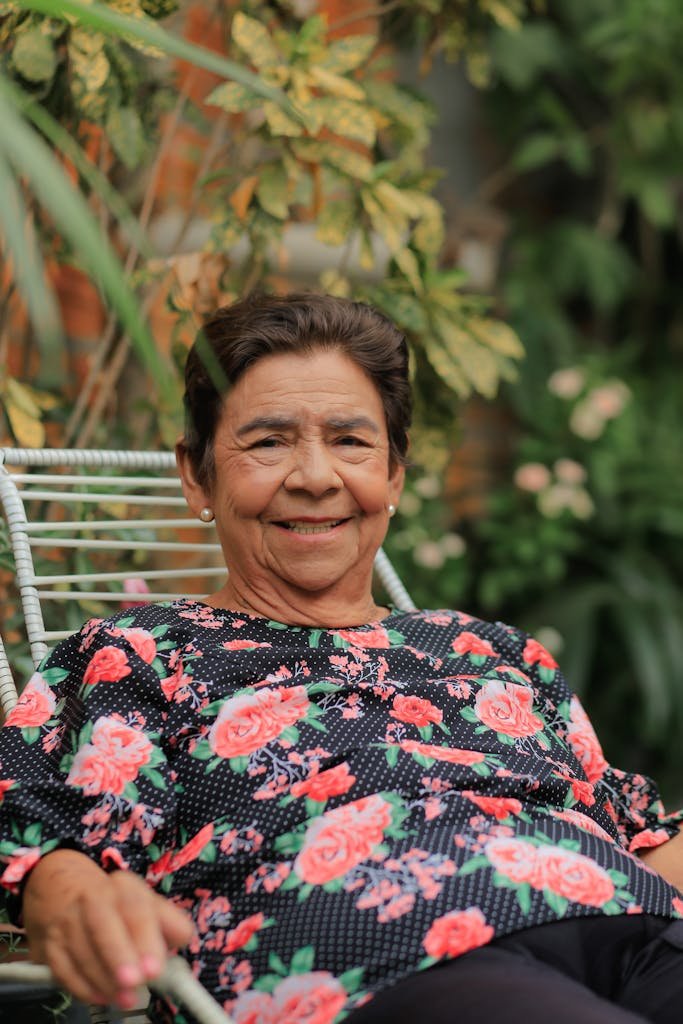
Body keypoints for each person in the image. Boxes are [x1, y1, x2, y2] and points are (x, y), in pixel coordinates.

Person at [0, 292, 681, 1024]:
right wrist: (69, 892)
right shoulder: (137, 656)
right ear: (196, 475)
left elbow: (637, 840)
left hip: (637, 928)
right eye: (267, 441)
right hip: (386, 957)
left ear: (392, 473)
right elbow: (38, 835)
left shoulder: (495, 652)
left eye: (350, 441)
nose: (316, 476)